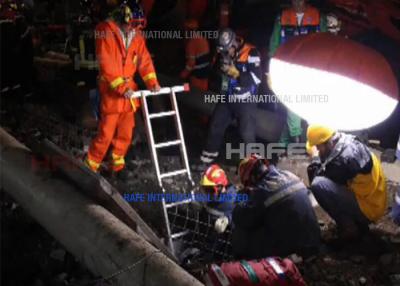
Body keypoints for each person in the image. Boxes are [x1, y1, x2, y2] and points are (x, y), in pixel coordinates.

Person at [84, 0, 160, 177]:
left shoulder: (136, 35)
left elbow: (144, 61)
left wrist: (152, 82)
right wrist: (121, 87)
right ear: (124, 18)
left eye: (137, 26)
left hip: (129, 93)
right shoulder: (106, 31)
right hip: (112, 91)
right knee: (106, 133)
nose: (134, 29)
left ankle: (117, 165)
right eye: (132, 25)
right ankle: (90, 166)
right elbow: (107, 63)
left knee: (126, 132)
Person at [306, 125, 387, 241]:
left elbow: (315, 176)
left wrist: (314, 158)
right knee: (330, 183)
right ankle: (357, 222)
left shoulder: (342, 161)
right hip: (376, 199)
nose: (317, 151)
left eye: (318, 148)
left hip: (369, 209)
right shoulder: (348, 141)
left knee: (318, 185)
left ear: (328, 142)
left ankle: (349, 228)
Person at [232, 155, 321, 259]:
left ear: (252, 177)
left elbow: (239, 217)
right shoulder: (288, 174)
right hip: (315, 240)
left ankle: (242, 260)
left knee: (242, 230)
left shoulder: (262, 191)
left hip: (296, 251)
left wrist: (241, 197)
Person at [199, 28, 262, 166]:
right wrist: (220, 70)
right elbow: (213, 70)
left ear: (234, 43)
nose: (225, 53)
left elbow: (256, 79)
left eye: (227, 50)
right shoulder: (222, 53)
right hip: (228, 97)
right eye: (222, 51)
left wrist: (237, 74)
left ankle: (255, 166)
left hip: (246, 100)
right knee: (215, 125)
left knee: (247, 134)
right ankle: (207, 160)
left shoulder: (251, 52)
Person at [269, 0, 327, 146]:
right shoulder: (282, 17)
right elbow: (274, 45)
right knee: (292, 103)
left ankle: (309, 142)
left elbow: (328, 44)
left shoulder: (318, 16)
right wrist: (270, 71)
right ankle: (294, 141)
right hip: (289, 69)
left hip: (312, 69)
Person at [180, 18, 211, 91]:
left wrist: (182, 75)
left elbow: (191, 63)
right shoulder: (202, 39)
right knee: (202, 95)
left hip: (196, 76)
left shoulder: (191, 43)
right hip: (205, 75)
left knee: (193, 93)